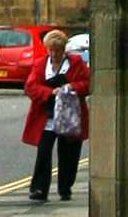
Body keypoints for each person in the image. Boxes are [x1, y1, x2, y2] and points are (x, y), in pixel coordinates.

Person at [22, 25, 88, 202]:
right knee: (43, 152)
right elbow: (30, 87)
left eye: (57, 50)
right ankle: (39, 189)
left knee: (68, 155)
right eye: (51, 50)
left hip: (69, 117)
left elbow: (88, 83)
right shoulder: (40, 65)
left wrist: (72, 87)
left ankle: (65, 188)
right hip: (47, 117)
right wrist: (49, 92)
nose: (54, 54)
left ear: (64, 49)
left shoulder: (76, 63)